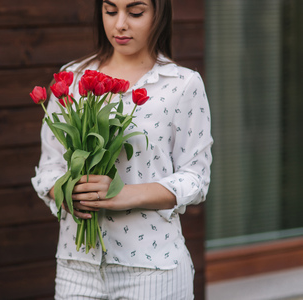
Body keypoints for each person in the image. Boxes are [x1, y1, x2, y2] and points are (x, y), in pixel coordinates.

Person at [31, 0, 213, 298]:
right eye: (111, 11)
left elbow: (196, 178)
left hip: (153, 269)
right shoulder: (72, 79)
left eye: (136, 12)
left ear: (158, 13)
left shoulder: (182, 84)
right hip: (77, 266)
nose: (120, 24)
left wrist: (122, 194)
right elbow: (50, 168)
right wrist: (67, 192)